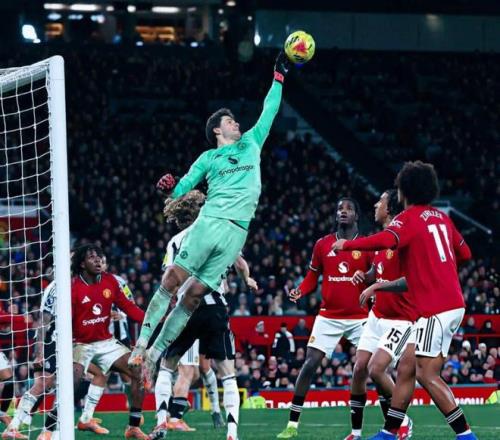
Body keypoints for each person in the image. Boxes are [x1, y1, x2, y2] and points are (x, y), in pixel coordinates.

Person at [128, 52, 292, 386]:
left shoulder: (251, 143)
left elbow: (270, 110)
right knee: (172, 281)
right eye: (230, 121)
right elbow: (183, 186)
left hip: (237, 233)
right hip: (211, 222)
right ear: (218, 129)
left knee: (193, 296)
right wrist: (169, 188)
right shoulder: (209, 157)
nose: (237, 124)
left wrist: (279, 75)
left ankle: (154, 356)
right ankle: (141, 345)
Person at [333, 161, 477, 440]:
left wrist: (347, 244)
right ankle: (389, 432)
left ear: (404, 190)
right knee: (407, 369)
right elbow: (466, 254)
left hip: (435, 308)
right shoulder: (441, 217)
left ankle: (467, 436)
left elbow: (385, 240)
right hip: (450, 303)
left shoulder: (408, 218)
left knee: (426, 375)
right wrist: (438, 269)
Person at [149, 191, 258, 440]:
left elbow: (170, 278)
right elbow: (240, 264)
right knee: (227, 373)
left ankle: (162, 423)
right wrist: (247, 279)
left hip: (184, 311)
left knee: (167, 366)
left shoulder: (175, 241)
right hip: (214, 309)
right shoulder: (222, 231)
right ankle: (232, 434)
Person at [276, 198, 372, 439]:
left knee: (371, 368)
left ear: (356, 216)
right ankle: (292, 425)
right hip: (329, 316)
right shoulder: (322, 244)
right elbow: (312, 277)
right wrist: (300, 290)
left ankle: (382, 426)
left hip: (360, 317)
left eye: (348, 209)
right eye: (340, 208)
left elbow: (374, 276)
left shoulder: (366, 244)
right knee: (309, 364)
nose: (343, 211)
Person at [38, 245, 147, 440]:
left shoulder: (110, 281)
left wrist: (152, 320)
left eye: (99, 256)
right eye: (91, 257)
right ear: (82, 264)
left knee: (138, 371)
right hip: (80, 344)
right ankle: (48, 429)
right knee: (72, 381)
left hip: (106, 342)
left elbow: (129, 307)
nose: (98, 260)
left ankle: (133, 426)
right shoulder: (71, 288)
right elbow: (63, 323)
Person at [3, 279, 110, 439]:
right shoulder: (56, 287)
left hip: (72, 342)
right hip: (51, 340)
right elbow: (43, 320)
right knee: (43, 383)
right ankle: (18, 426)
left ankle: (77, 421)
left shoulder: (85, 286)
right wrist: (39, 351)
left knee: (96, 374)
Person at [349, 190, 415, 440]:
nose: (376, 205)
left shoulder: (403, 239)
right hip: (377, 316)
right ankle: (356, 433)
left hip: (400, 319)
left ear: (389, 209)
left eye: (380, 202)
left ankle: (402, 420)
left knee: (376, 369)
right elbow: (377, 272)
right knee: (359, 369)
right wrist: (365, 277)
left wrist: (375, 286)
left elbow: (409, 280)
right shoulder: (381, 241)